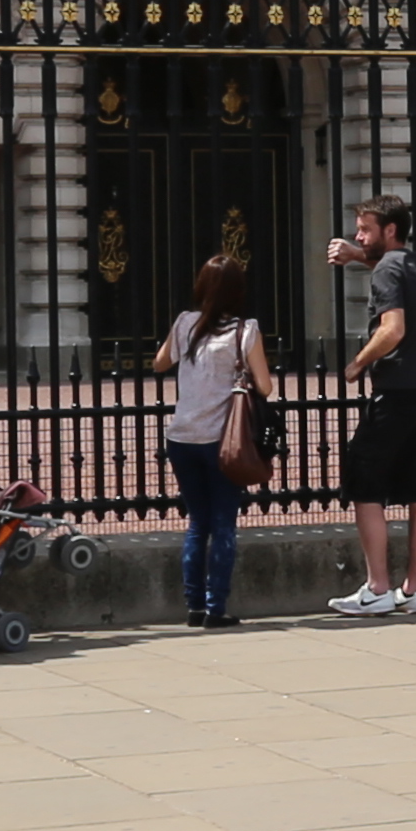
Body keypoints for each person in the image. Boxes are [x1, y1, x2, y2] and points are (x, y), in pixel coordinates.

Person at [147, 254, 277, 631]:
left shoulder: (186, 323)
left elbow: (159, 363)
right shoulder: (245, 331)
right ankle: (215, 606)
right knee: (223, 524)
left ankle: (193, 604)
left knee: (196, 523)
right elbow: (265, 386)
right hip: (222, 442)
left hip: (181, 437)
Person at [326, 197, 416, 621]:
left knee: (364, 483)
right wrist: (359, 255)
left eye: (365, 230)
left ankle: (377, 587)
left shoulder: (389, 270)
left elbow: (393, 329)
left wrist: (359, 362)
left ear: (389, 230)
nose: (358, 235)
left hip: (392, 394)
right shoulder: (414, 263)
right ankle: (414, 589)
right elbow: (389, 268)